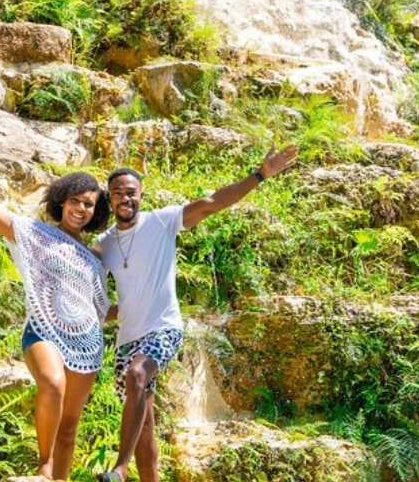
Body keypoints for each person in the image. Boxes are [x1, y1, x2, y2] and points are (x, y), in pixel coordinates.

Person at [95, 145, 299, 482]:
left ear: (141, 195)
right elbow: (104, 294)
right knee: (143, 425)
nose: (125, 199)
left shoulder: (160, 222)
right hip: (127, 337)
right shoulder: (106, 244)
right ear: (110, 198)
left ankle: (119, 469)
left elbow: (212, 203)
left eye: (131, 192)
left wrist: (260, 174)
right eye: (118, 193)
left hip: (163, 329)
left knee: (136, 376)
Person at [0, 132, 115, 481]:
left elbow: (101, 310)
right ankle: (44, 467)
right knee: (51, 382)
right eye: (75, 200)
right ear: (62, 201)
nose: (81, 209)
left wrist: (141, 307)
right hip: (44, 330)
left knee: (70, 426)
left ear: (96, 212)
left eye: (89, 205)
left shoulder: (95, 258)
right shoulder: (35, 233)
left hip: (88, 342)